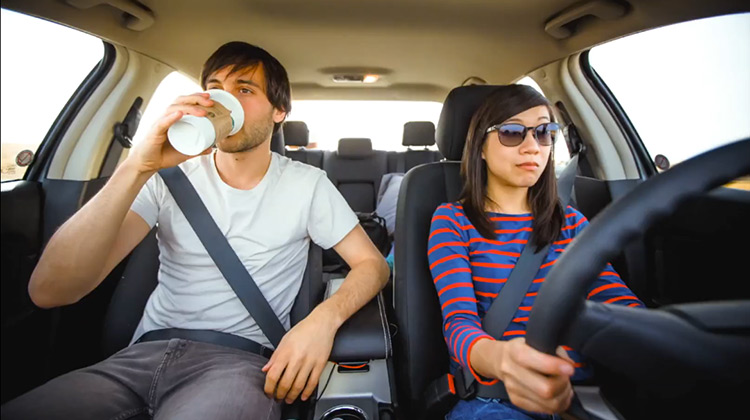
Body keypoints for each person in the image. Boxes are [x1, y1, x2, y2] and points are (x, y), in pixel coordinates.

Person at [2, 41, 389, 420]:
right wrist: (138, 165)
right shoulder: (165, 178)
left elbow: (372, 265)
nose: (224, 101)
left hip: (237, 363)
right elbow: (50, 290)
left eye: (244, 89)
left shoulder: (308, 184)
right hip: (136, 358)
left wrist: (321, 321)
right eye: (215, 89)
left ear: (279, 112)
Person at [427, 85, 643, 420]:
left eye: (545, 132)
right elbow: (459, 323)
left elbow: (617, 301)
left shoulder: (570, 222)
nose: (532, 147)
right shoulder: (453, 221)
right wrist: (503, 359)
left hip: (581, 389)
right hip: (496, 398)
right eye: (512, 132)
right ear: (480, 147)